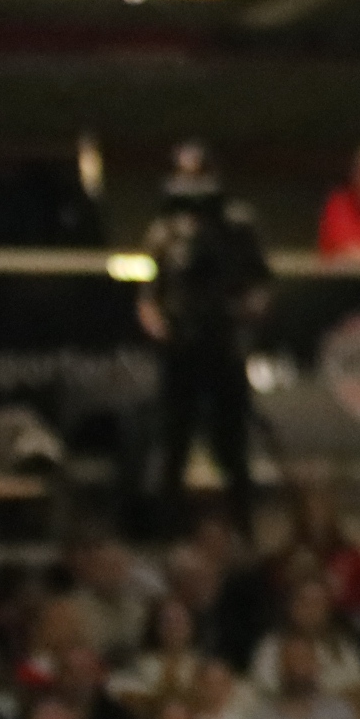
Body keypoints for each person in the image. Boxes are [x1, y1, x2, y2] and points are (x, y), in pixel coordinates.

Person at [139, 141, 274, 538]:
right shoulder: (165, 228)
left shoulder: (236, 223)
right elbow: (151, 288)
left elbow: (260, 282)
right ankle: (168, 528)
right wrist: (157, 321)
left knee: (230, 441)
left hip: (224, 343)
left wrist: (243, 317)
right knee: (175, 440)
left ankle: (242, 523)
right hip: (180, 345)